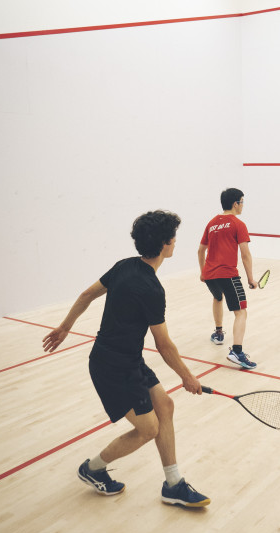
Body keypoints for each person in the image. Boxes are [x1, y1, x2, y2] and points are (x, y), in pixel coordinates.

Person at [42, 210, 210, 507]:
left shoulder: (124, 266)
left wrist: (64, 328)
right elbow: (164, 345)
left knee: (165, 406)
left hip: (127, 359)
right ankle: (92, 468)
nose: (175, 242)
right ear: (164, 245)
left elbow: (85, 294)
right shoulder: (152, 289)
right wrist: (187, 376)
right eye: (173, 238)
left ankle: (174, 485)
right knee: (148, 429)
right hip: (111, 366)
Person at [198, 188, 258, 370]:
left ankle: (218, 334)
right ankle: (237, 352)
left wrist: (203, 272)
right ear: (235, 204)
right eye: (242, 202)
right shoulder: (238, 224)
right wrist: (251, 279)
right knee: (241, 312)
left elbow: (201, 250)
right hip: (228, 274)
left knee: (217, 297)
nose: (243, 206)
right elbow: (245, 254)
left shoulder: (212, 223)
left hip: (210, 274)